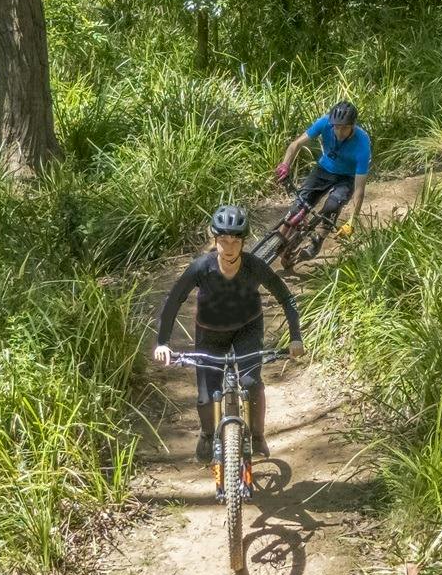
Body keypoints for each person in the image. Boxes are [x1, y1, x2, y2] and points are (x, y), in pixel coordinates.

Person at [153, 204, 303, 465]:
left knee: (251, 383)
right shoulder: (201, 267)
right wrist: (163, 343)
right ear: (215, 239)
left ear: (243, 242)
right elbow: (174, 299)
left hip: (247, 329)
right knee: (205, 396)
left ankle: (257, 436)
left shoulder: (254, 266)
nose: (229, 246)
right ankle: (207, 435)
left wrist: (295, 337)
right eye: (223, 240)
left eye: (235, 240)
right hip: (209, 333)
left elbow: (286, 298)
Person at [272, 98, 371, 242]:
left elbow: (359, 190)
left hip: (347, 178)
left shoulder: (362, 144)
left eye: (345, 128)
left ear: (353, 125)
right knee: (297, 207)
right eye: (337, 127)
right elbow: (295, 144)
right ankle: (277, 243)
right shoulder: (325, 122)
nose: (339, 131)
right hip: (324, 169)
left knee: (331, 207)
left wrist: (352, 222)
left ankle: (318, 240)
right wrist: (285, 165)